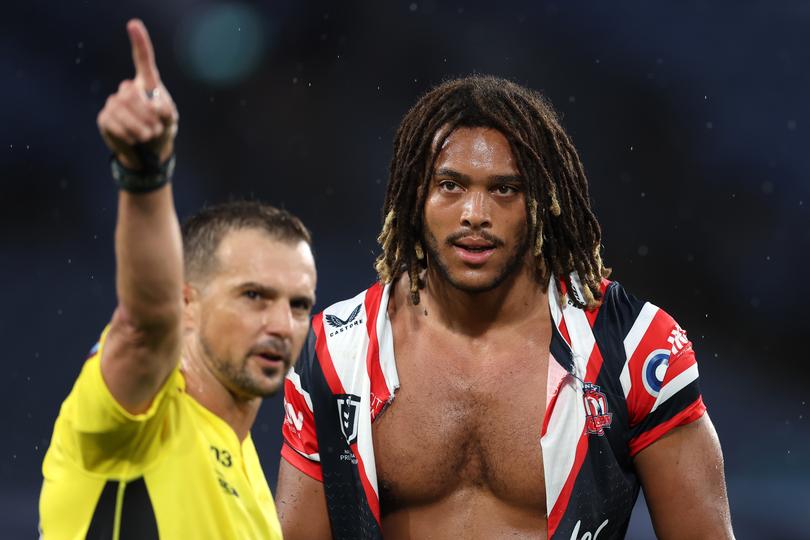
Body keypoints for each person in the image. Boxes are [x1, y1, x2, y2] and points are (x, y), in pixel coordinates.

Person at [275, 76, 734, 539]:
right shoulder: (336, 351)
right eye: (451, 185)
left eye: (504, 189)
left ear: (542, 202)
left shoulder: (635, 347)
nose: (475, 212)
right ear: (416, 196)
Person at [39, 19, 316, 539]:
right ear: (186, 304)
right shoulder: (138, 417)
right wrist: (145, 175)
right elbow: (147, 324)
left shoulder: (258, 484)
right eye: (254, 296)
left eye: (299, 304)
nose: (282, 324)